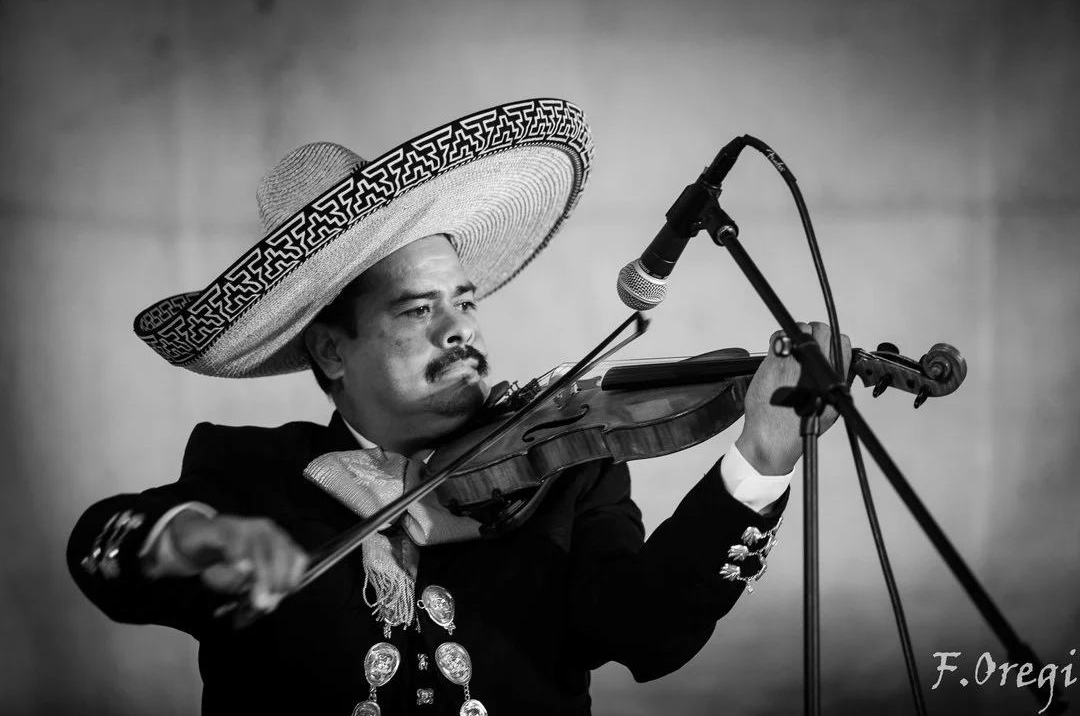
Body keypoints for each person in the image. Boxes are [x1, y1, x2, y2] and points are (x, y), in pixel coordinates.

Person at [68, 98, 851, 716]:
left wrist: (759, 463)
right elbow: (105, 549)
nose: (460, 329)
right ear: (332, 351)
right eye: (418, 310)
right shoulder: (250, 472)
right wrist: (193, 537)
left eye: (465, 300)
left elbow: (647, 632)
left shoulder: (568, 472)